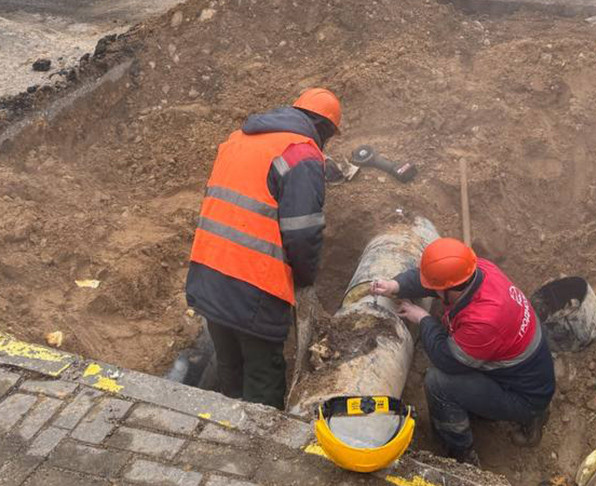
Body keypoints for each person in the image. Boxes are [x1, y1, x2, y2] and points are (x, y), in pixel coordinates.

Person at [185, 88, 341, 409]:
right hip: (254, 285)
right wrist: (305, 277)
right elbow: (301, 232)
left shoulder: (237, 139)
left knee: (230, 365)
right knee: (263, 376)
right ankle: (256, 448)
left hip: (209, 271)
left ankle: (225, 427)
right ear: (325, 129)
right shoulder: (302, 153)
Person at [370, 238, 556, 464]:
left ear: (449, 290)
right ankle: (523, 412)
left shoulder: (483, 322)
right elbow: (435, 281)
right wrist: (396, 285)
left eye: (435, 289)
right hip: (529, 373)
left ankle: (461, 456)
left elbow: (446, 359)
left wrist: (423, 318)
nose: (430, 289)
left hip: (524, 396)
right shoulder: (480, 269)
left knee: (438, 384)